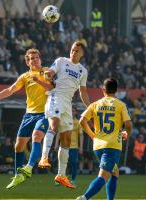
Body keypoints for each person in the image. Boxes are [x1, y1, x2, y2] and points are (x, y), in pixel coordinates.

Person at [0, 48, 53, 189]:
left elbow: (52, 87)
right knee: (18, 146)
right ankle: (18, 175)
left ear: (40, 59)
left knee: (36, 136)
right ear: (27, 62)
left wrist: (40, 80)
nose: (35, 60)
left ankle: (29, 168)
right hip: (29, 114)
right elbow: (10, 90)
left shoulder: (47, 72)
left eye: (37, 57)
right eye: (31, 58)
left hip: (45, 113)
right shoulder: (25, 77)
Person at [37, 41, 90, 188]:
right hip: (55, 96)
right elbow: (51, 73)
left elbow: (83, 92)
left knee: (66, 139)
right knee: (53, 123)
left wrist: (90, 108)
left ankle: (61, 175)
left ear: (82, 54)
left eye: (77, 51)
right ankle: (44, 158)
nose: (74, 52)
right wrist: (48, 74)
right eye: (72, 50)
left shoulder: (82, 71)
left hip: (67, 103)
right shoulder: (61, 61)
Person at [77, 78, 132, 200]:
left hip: (98, 146)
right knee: (103, 176)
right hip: (112, 146)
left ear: (103, 90)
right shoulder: (121, 105)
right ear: (116, 90)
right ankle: (84, 197)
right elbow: (128, 124)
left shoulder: (95, 104)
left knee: (115, 173)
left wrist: (92, 135)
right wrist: (126, 133)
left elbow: (82, 121)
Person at [54, 107, 83, 187]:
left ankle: (73, 180)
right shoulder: (64, 120)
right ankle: (59, 179)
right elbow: (59, 133)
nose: (72, 112)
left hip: (74, 147)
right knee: (62, 163)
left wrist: (81, 147)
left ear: (76, 112)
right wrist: (56, 144)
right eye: (71, 110)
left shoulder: (78, 122)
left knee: (74, 163)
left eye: (74, 111)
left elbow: (81, 135)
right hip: (63, 146)